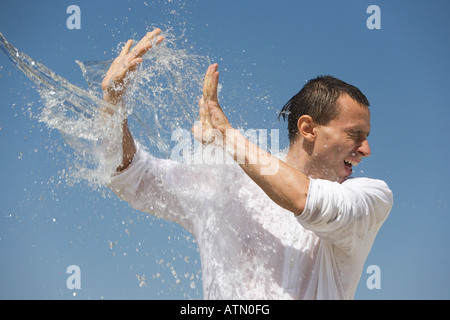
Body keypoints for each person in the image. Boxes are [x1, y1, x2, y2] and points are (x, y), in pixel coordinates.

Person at [102, 28, 393, 300]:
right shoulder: (225, 185)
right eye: (355, 135)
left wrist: (227, 136)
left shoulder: (370, 199)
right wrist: (113, 105)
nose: (366, 149)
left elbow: (303, 198)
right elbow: (131, 176)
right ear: (308, 129)